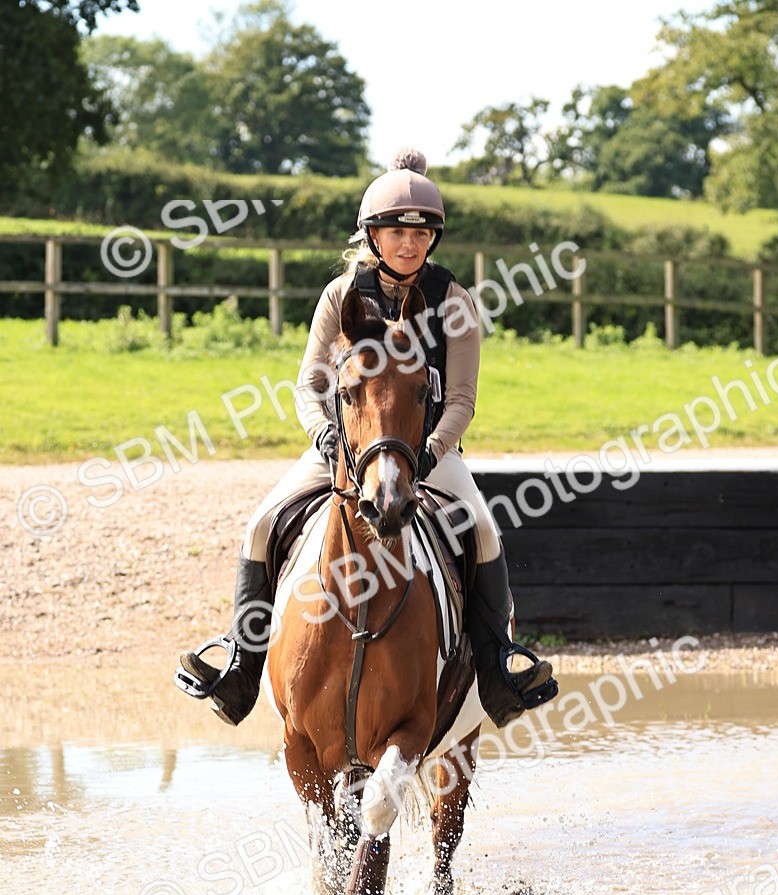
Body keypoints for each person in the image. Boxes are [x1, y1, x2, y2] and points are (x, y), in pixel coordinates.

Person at [175, 148, 558, 729]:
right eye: (396, 232)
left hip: (428, 452)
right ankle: (240, 662)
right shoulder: (340, 297)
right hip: (344, 448)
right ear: (373, 235)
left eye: (422, 233)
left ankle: (498, 666)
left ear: (434, 238)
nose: (410, 244)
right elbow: (309, 383)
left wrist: (431, 450)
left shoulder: (455, 303)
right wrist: (326, 437)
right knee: (261, 523)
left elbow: (460, 400)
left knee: (481, 527)